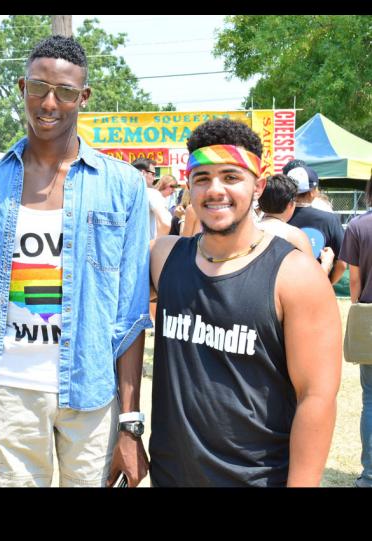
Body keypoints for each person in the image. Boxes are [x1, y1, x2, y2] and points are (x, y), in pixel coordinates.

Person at [0, 35, 152, 488]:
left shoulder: (122, 186)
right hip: (10, 391)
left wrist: (130, 425)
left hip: (92, 392)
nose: (49, 103)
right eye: (39, 88)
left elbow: (131, 315)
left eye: (64, 92)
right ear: (22, 87)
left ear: (83, 97)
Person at [149, 118, 341, 486]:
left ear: (259, 185)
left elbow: (316, 397)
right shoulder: (164, 258)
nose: (215, 190)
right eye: (202, 178)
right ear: (189, 186)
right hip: (170, 476)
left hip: (258, 478)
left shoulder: (295, 276)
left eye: (231, 177)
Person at [339, 173, 372, 488]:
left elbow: (355, 283)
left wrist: (358, 310)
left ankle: (370, 475)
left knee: (371, 399)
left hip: (370, 316)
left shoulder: (359, 226)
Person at [285, 163, 346, 284]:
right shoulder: (330, 219)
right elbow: (343, 263)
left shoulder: (275, 218)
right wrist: (328, 283)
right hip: (317, 286)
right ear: (312, 192)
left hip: (282, 288)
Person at [258, 173, 328, 262]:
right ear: (290, 204)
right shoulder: (295, 236)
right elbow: (310, 270)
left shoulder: (249, 230)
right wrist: (327, 262)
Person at [132, 157, 171, 239]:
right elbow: (166, 222)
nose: (154, 177)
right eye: (153, 174)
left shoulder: (123, 193)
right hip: (147, 244)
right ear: (143, 173)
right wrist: (156, 243)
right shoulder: (151, 193)